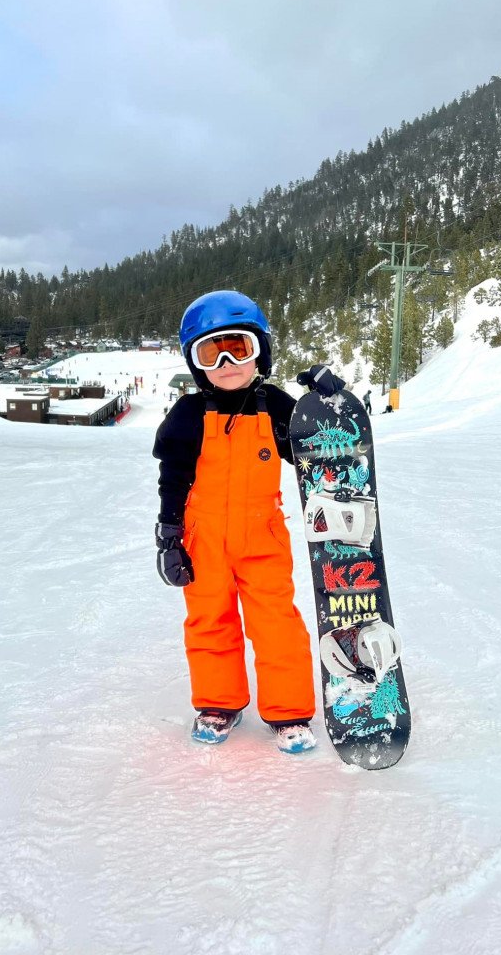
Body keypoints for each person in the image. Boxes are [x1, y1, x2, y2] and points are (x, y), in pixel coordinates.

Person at [152, 290, 344, 755]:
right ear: (197, 364)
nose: (225, 362)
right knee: (209, 621)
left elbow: (311, 450)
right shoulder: (187, 415)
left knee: (277, 624)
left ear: (261, 349)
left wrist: (325, 401)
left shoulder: (275, 406)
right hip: (203, 538)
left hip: (262, 536)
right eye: (210, 353)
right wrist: (170, 536)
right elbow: (173, 477)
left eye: (238, 348)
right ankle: (219, 704)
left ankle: (289, 712)